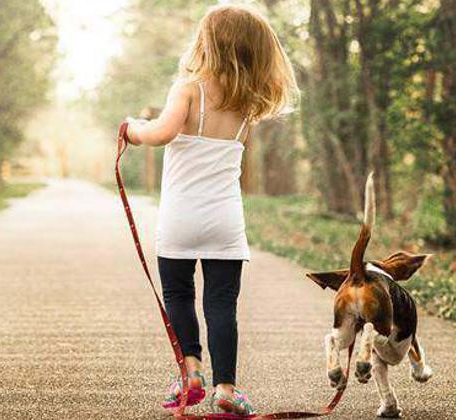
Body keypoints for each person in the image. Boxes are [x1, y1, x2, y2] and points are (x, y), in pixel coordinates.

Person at [124, 4, 298, 415]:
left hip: (180, 218)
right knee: (222, 304)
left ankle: (191, 373)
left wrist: (132, 129)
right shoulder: (248, 102)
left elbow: (160, 133)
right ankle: (227, 387)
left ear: (208, 43)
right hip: (225, 221)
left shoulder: (188, 89)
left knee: (179, 294)